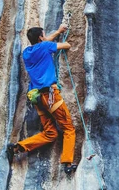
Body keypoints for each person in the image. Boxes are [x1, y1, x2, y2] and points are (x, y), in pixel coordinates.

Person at [8, 24, 78, 173]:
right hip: (51, 95)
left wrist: (57, 32)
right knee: (68, 128)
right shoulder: (46, 46)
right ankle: (67, 162)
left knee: (50, 133)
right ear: (41, 37)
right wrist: (58, 34)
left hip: (37, 98)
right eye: (43, 35)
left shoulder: (26, 53)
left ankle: (17, 148)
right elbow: (67, 45)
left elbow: (45, 43)